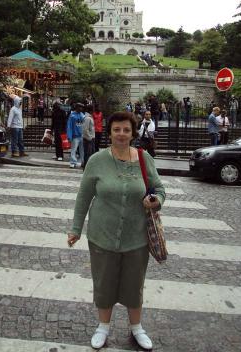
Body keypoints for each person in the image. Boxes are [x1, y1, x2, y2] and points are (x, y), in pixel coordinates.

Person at [67, 111, 166, 350]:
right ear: (109, 133)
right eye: (116, 130)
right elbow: (84, 197)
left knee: (134, 284)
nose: (121, 134)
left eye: (126, 130)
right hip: (102, 236)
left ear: (133, 133)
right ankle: (103, 326)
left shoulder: (144, 158)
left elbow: (160, 189)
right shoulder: (96, 160)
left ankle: (136, 328)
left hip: (137, 237)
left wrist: (156, 200)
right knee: (104, 283)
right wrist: (76, 229)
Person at [67, 102, 85, 168]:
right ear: (77, 107)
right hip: (75, 136)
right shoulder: (72, 115)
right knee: (74, 149)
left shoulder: (82, 115)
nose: (81, 108)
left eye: (82, 107)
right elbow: (69, 126)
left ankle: (83, 162)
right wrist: (69, 136)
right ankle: (73, 162)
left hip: (82, 135)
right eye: (80, 107)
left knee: (82, 150)